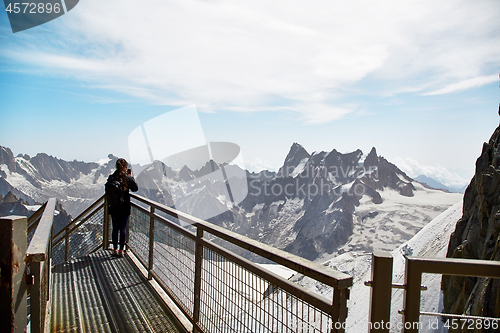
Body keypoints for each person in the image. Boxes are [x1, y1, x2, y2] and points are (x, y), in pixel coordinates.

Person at [107, 158, 138, 257]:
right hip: (124, 207)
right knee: (122, 229)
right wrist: (131, 177)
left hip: (113, 206)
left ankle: (114, 249)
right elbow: (135, 188)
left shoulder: (112, 177)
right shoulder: (127, 178)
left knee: (115, 228)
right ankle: (121, 251)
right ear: (125, 167)